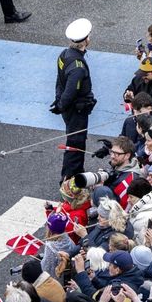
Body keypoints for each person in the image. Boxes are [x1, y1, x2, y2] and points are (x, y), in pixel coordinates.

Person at [53, 17, 96, 183]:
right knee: (76, 143)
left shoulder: (64, 55)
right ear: (85, 40)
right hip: (76, 109)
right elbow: (71, 90)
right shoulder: (78, 66)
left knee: (74, 139)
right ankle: (70, 177)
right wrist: (62, 104)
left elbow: (59, 81)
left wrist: (59, 102)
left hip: (68, 108)